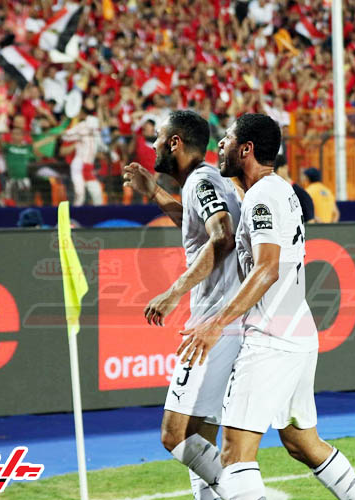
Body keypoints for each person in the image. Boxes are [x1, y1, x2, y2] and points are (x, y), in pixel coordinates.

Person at [179, 113, 355, 500]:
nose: (221, 144)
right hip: (297, 333)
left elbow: (267, 268)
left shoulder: (262, 197)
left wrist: (216, 323)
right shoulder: (278, 190)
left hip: (271, 338)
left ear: (246, 149)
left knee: (234, 455)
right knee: (303, 443)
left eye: (228, 138)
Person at [122, 110, 242, 500]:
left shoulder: (201, 182)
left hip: (213, 325)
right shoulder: (204, 182)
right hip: (229, 321)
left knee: (174, 435)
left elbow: (222, 236)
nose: (154, 144)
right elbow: (197, 225)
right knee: (200, 435)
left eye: (158, 138)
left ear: (175, 142)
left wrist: (173, 291)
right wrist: (155, 194)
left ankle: (247, 494)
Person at [62, 97, 104, 206]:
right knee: (80, 194)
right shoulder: (82, 126)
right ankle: (76, 213)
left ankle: (100, 214)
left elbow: (100, 138)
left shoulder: (96, 131)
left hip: (88, 166)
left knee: (97, 193)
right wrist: (77, 137)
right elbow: (65, 136)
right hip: (79, 165)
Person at [275, 155, 314, 223]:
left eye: (276, 171)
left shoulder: (301, 194)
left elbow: (310, 222)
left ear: (285, 168)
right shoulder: (273, 193)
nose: (274, 175)